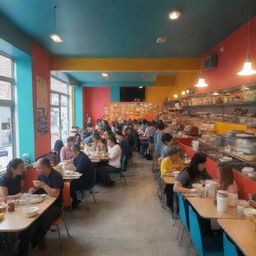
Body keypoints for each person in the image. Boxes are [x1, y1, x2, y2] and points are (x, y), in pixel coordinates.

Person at [29, 157, 64, 250]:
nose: (37, 170)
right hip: (42, 201)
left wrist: (43, 185)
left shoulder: (56, 176)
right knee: (31, 214)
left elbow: (55, 194)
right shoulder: (41, 175)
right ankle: (33, 237)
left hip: (55, 205)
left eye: (39, 168)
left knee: (44, 216)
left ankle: (38, 238)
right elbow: (39, 188)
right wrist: (33, 189)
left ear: (46, 167)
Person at [70, 144, 94, 208]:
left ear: (74, 151)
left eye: (71, 151)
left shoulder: (83, 158)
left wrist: (71, 168)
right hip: (82, 178)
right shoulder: (79, 156)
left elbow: (77, 170)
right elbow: (75, 165)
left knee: (69, 186)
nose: (71, 153)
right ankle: (75, 200)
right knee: (70, 184)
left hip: (87, 181)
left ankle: (75, 201)